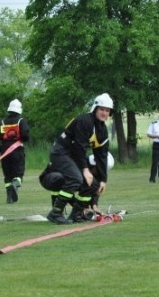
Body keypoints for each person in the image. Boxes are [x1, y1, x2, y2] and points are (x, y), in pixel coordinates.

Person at [45, 93, 113, 224]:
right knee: (76, 178)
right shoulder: (85, 120)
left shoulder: (102, 130)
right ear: (95, 108)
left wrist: (103, 180)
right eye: (102, 109)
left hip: (73, 155)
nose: (104, 113)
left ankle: (76, 214)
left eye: (107, 110)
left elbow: (102, 156)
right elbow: (79, 146)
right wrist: (85, 170)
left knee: (93, 184)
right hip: (60, 152)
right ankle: (55, 213)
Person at [39, 151, 114, 222]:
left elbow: (95, 188)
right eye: (100, 170)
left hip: (65, 181)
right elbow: (69, 186)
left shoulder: (95, 172)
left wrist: (94, 205)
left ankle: (75, 215)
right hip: (49, 178)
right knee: (63, 179)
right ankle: (57, 212)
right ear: (95, 165)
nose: (100, 172)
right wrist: (82, 207)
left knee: (91, 183)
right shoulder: (79, 162)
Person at [0, 98, 29, 203]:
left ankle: (9, 197)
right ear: (19, 110)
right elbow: (25, 135)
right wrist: (22, 140)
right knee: (18, 172)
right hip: (17, 150)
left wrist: (0, 148)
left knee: (8, 174)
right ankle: (16, 184)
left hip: (5, 151)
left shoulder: (1, 123)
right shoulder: (21, 121)